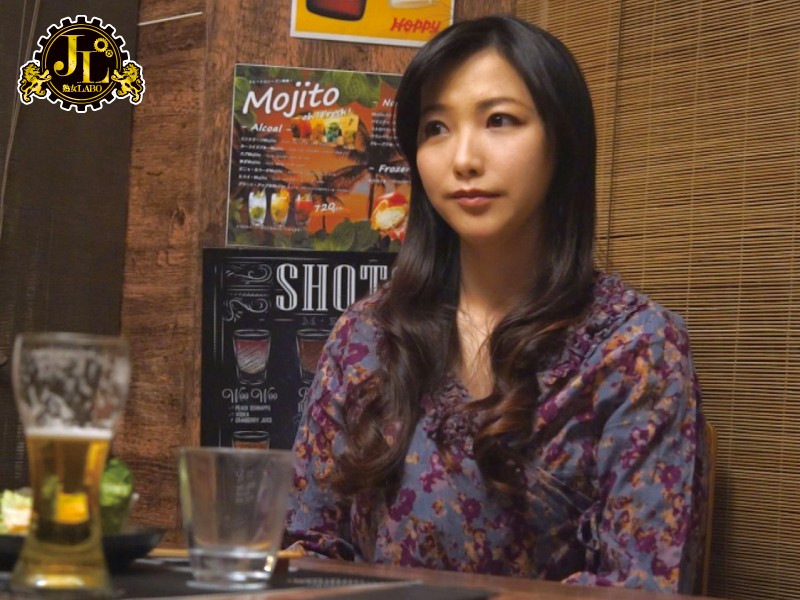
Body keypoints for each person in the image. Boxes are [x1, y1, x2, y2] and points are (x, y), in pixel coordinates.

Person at [284, 14, 707, 594]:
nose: (463, 158)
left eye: (499, 120)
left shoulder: (632, 349)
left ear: (562, 140)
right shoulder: (367, 336)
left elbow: (641, 585)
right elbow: (308, 547)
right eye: (436, 128)